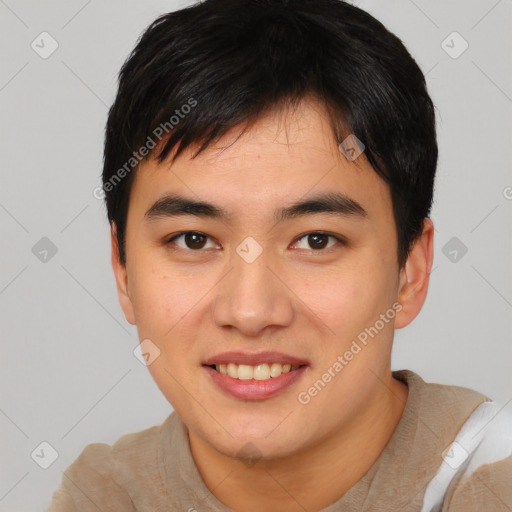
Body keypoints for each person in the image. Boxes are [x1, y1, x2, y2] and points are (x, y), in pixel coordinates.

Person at [47, 0, 512, 510]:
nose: (249, 312)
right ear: (123, 269)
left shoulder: (494, 479)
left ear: (410, 271)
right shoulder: (102, 495)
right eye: (194, 240)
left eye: (316, 240)